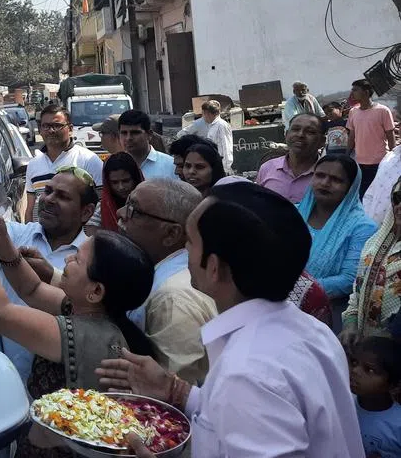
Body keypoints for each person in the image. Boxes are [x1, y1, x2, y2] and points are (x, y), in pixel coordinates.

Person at [97, 182, 363, 458]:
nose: (185, 249)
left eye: (190, 240)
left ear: (214, 268)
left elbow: (251, 398)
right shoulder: (313, 332)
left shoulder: (247, 373)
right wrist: (177, 391)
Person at [0, 183, 154, 457]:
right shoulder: (88, 312)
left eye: (78, 260)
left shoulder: (81, 335)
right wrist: (0, 240)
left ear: (95, 292)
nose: (68, 258)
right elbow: (31, 289)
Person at [0, 169, 95, 383]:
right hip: (3, 378)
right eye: (48, 191)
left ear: (86, 212)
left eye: (62, 196)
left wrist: (53, 278)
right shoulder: (14, 234)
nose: (49, 199)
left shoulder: (92, 262)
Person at [119, 179, 217, 383]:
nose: (120, 213)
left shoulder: (171, 300)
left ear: (171, 234)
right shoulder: (171, 274)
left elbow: (172, 396)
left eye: (133, 210)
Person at [297, 153, 377, 327]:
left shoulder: (362, 227)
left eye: (336, 180)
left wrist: (296, 289)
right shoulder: (293, 214)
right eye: (320, 175)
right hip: (281, 307)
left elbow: (349, 279)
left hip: (330, 316)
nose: (325, 183)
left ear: (351, 187)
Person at [343, 178, 401, 344]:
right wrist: (350, 323)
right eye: (397, 198)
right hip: (364, 350)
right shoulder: (374, 243)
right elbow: (357, 288)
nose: (399, 207)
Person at [24, 104, 103, 223]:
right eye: (46, 126)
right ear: (40, 130)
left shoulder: (89, 160)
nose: (51, 130)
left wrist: (88, 238)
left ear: (70, 129)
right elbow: (30, 208)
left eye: (57, 126)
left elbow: (101, 204)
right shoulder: (33, 164)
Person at [349, 335, 401, 458]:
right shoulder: (343, 404)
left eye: (370, 370)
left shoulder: (398, 424)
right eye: (355, 363)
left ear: (394, 385)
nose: (355, 371)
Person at [257, 113, 324, 204]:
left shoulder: (328, 175)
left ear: (322, 141)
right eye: (295, 129)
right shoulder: (267, 168)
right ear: (286, 135)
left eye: (310, 131)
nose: (300, 135)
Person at [349, 79, 397, 196]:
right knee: (362, 195)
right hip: (360, 162)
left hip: (379, 161)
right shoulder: (353, 112)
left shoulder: (382, 111)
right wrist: (347, 155)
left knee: (379, 194)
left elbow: (390, 136)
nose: (352, 93)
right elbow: (352, 136)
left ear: (366, 92)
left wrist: (394, 158)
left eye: (355, 90)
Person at [177, 100, 235, 173]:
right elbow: (181, 134)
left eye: (204, 113)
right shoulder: (200, 123)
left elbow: (226, 148)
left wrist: (226, 167)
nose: (203, 115)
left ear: (210, 114)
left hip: (219, 164)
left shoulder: (222, 126)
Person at [118, 110, 176, 180]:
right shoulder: (114, 166)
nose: (128, 138)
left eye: (135, 133)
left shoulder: (170, 165)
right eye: (124, 133)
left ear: (149, 134)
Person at [98, 152, 143, 232]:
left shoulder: (149, 205)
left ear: (135, 179)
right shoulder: (99, 210)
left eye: (126, 181)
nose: (121, 187)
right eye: (115, 182)